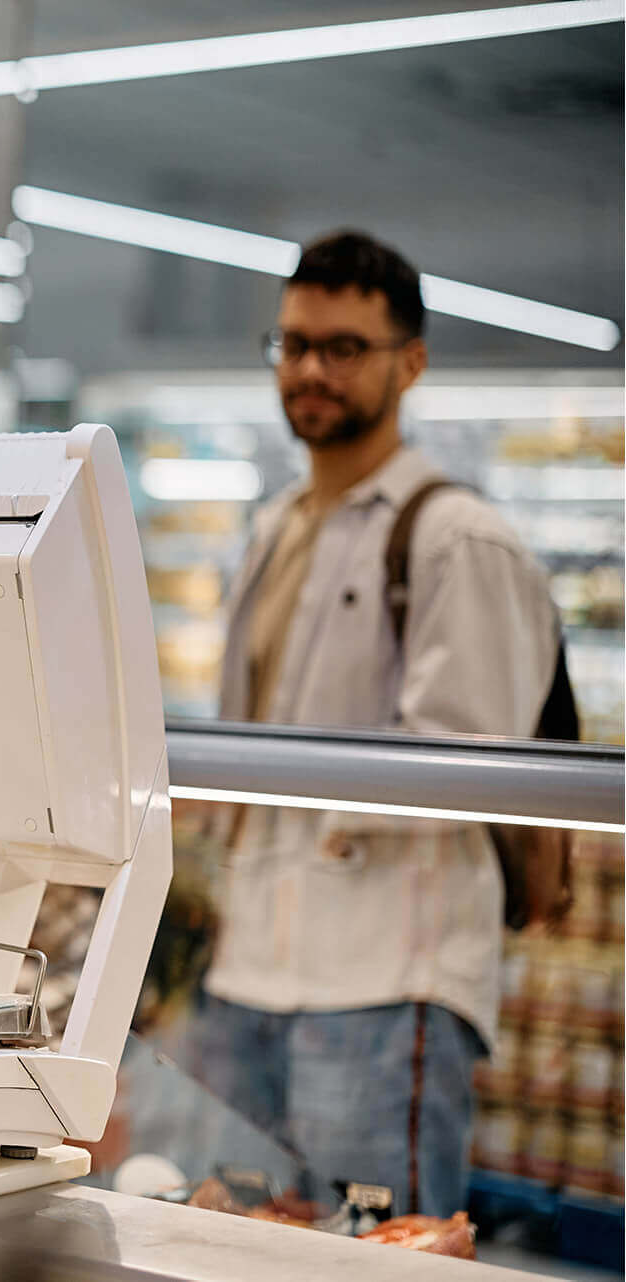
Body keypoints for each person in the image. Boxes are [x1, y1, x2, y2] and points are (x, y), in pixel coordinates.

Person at [194, 231, 561, 1217]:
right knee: (226, 1252)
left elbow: (470, 768)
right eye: (295, 342)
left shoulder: (458, 539)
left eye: (345, 346)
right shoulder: (273, 530)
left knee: (372, 1257)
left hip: (384, 983)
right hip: (247, 975)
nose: (312, 368)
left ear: (413, 361)